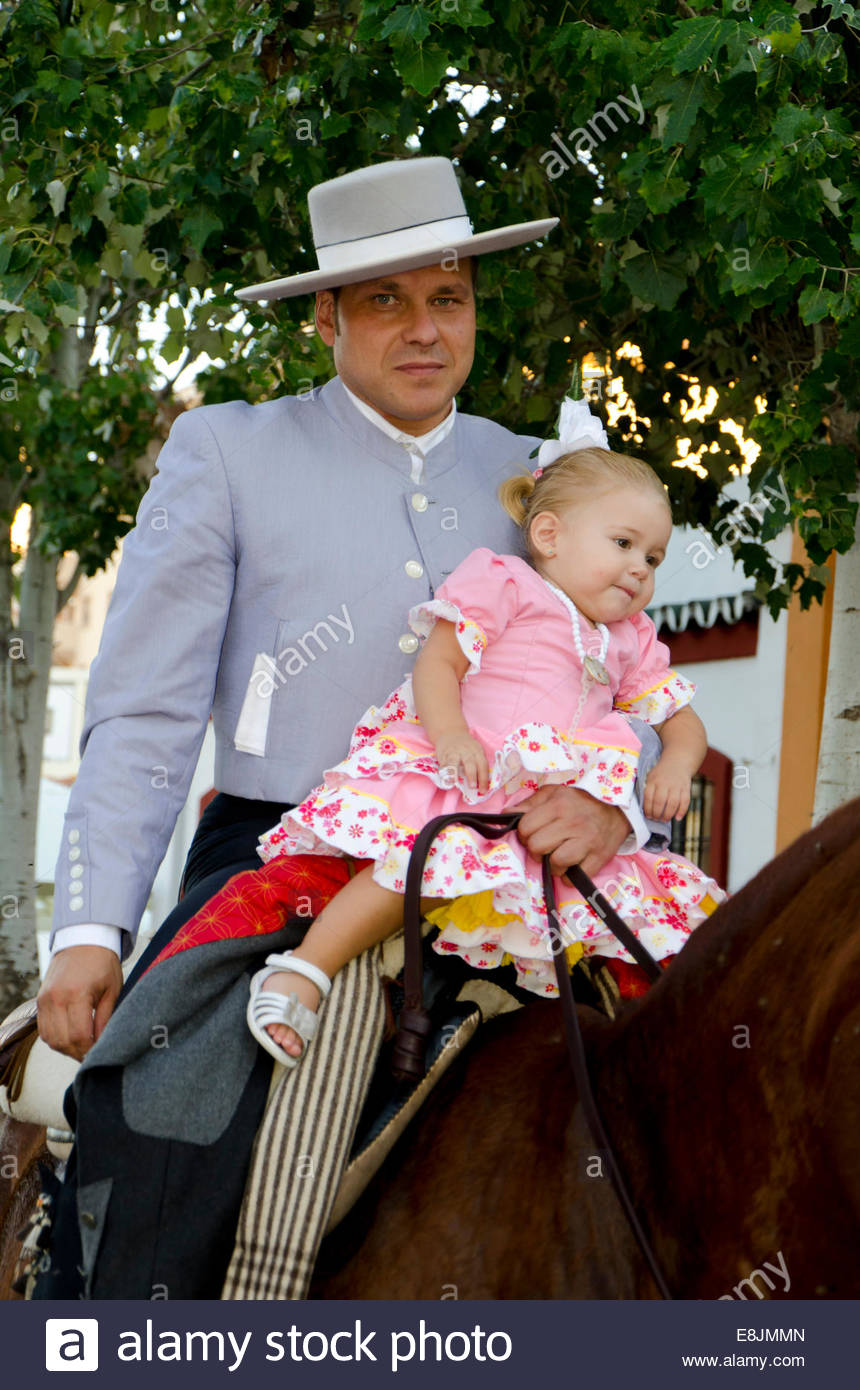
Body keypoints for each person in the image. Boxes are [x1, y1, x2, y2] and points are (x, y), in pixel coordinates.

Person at [32, 157, 670, 1299]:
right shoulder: (229, 450)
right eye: (386, 299)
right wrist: (91, 925)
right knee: (161, 1116)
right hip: (289, 850)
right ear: (325, 313)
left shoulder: (544, 477)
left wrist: (609, 807)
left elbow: (620, 685)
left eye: (449, 297)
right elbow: (147, 712)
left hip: (519, 864)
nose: (425, 329)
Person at [243, 405, 726, 1063]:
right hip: (479, 771)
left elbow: (681, 720)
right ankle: (305, 969)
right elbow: (439, 662)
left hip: (554, 810)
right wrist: (449, 737)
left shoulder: (630, 639)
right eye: (623, 544)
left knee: (617, 934)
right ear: (550, 534)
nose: (641, 568)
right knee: (417, 869)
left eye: (654, 556)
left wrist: (674, 766)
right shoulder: (507, 584)